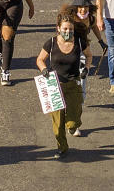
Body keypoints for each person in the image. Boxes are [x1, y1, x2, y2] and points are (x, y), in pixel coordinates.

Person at [35, 12, 92, 159]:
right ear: (58, 28)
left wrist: (87, 68)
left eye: (70, 29)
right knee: (57, 123)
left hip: (73, 85)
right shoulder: (51, 43)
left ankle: (72, 126)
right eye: (65, 29)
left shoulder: (79, 42)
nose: (68, 32)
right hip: (55, 86)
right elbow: (40, 59)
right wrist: (44, 70)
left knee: (73, 121)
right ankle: (62, 147)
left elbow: (89, 55)